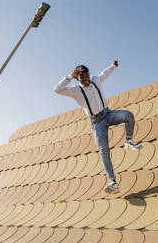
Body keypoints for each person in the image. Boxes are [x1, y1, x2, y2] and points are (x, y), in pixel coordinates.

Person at [54, 60, 142, 193]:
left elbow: (105, 73)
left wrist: (113, 66)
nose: (86, 79)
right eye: (82, 77)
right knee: (104, 152)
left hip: (108, 114)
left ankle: (128, 141)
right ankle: (113, 182)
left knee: (128, 116)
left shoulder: (95, 80)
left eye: (87, 76)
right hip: (97, 123)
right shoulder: (75, 90)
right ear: (77, 78)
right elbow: (57, 90)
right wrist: (69, 77)